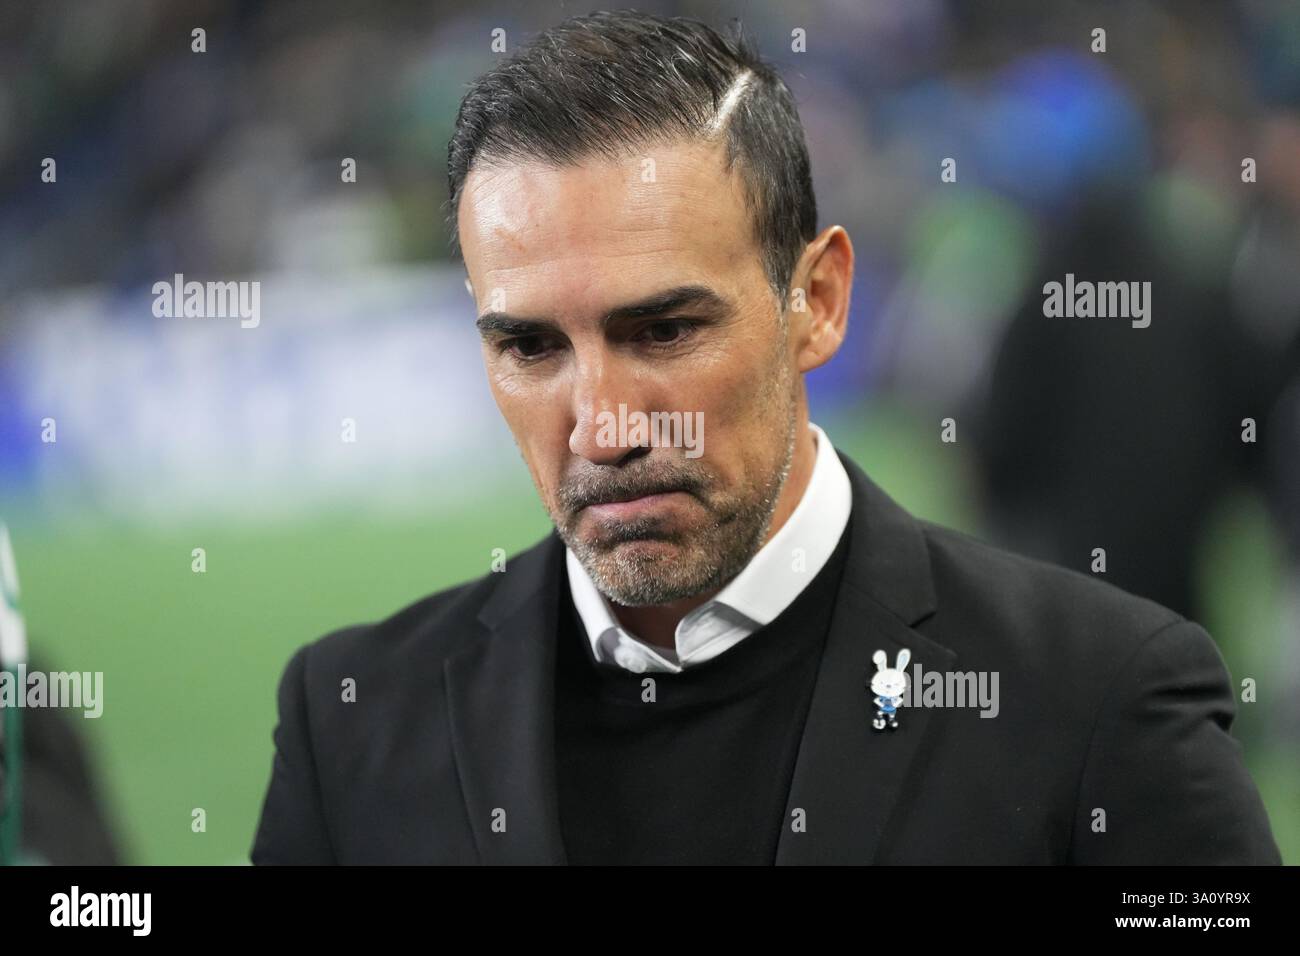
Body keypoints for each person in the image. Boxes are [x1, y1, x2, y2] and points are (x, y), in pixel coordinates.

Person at [250, 10, 1282, 865]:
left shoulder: (1099, 697)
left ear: (818, 299)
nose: (604, 425)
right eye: (529, 346)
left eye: (664, 329)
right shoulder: (348, 724)